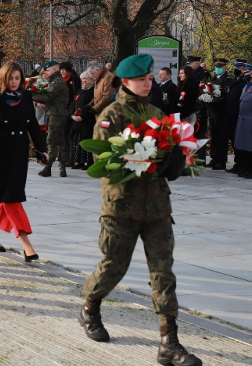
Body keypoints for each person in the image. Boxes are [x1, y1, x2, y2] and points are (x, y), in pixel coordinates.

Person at [78, 53, 201, 366]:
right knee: (113, 266)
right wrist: (142, 157)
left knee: (163, 273)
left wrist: (176, 158)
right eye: (142, 79)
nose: (148, 83)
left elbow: (169, 160)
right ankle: (90, 306)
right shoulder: (111, 115)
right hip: (122, 208)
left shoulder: (156, 113)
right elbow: (103, 161)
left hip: (157, 207)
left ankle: (169, 343)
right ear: (126, 81)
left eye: (149, 79)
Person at [0, 61, 47, 261]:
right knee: (12, 198)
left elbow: (33, 125)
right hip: (0, 155)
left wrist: (41, 150)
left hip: (19, 153)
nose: (14, 82)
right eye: (10, 78)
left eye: (17, 78)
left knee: (8, 196)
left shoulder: (26, 96)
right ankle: (26, 244)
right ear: (3, 77)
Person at [33, 60, 70, 177]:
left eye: (47, 70)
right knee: (61, 140)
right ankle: (62, 167)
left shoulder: (57, 82)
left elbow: (48, 96)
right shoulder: (55, 81)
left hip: (57, 115)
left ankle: (48, 166)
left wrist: (30, 94)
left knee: (52, 140)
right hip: (57, 114)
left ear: (54, 69)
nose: (46, 73)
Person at [224, 63, 248, 174]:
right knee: (234, 140)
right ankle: (238, 163)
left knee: (240, 141)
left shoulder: (245, 81)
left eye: (238, 69)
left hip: (239, 115)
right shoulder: (233, 80)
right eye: (235, 69)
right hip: (230, 115)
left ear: (243, 69)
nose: (235, 70)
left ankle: (242, 164)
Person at [69, 70, 95, 170]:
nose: (84, 81)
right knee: (77, 142)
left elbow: (90, 106)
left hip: (87, 120)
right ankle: (79, 161)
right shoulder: (79, 90)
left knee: (87, 140)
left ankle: (89, 162)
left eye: (86, 79)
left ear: (91, 80)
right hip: (76, 121)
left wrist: (82, 116)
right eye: (82, 79)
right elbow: (73, 104)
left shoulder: (92, 91)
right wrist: (71, 115)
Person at [207, 59, 230, 170]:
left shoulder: (228, 80)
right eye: (216, 66)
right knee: (214, 136)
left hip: (222, 112)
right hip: (212, 112)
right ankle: (214, 157)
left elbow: (226, 95)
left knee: (221, 137)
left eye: (220, 66)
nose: (218, 68)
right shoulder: (212, 79)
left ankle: (221, 160)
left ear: (225, 67)